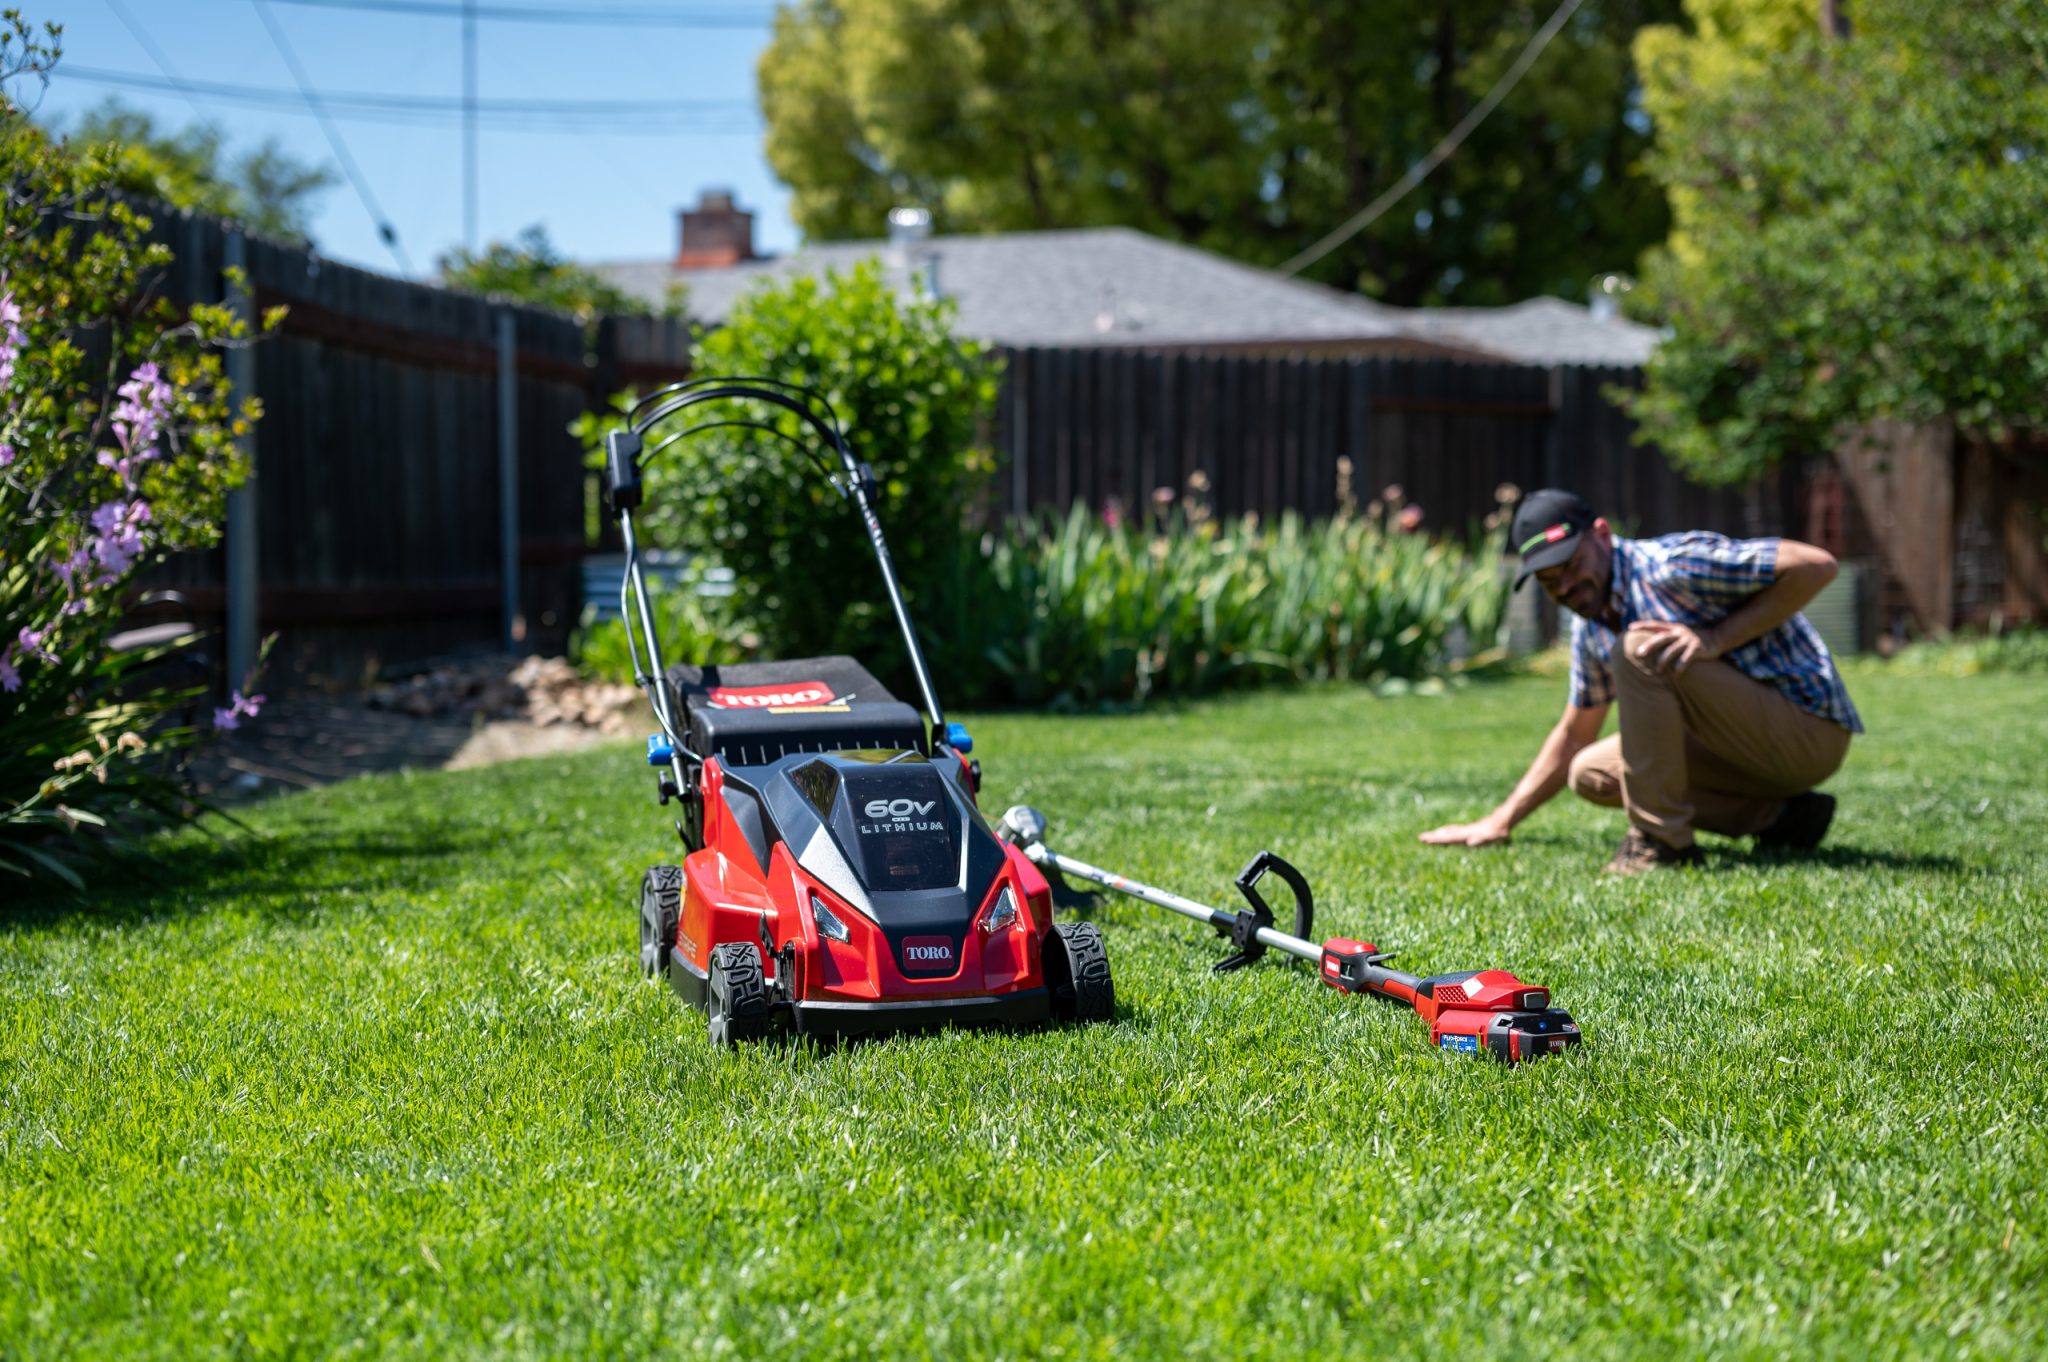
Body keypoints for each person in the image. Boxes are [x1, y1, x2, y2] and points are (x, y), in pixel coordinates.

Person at [1420, 489, 1862, 874]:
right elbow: (1576, 734)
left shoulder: (1674, 565)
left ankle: (1663, 845)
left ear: (1602, 534)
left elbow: (1816, 565)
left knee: (1638, 648)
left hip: (1806, 731)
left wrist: (1714, 639)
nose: (1568, 587)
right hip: (1736, 749)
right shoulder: (1591, 626)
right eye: (1551, 581)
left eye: (1572, 564)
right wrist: (1500, 821)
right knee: (1591, 773)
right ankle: (1782, 819)